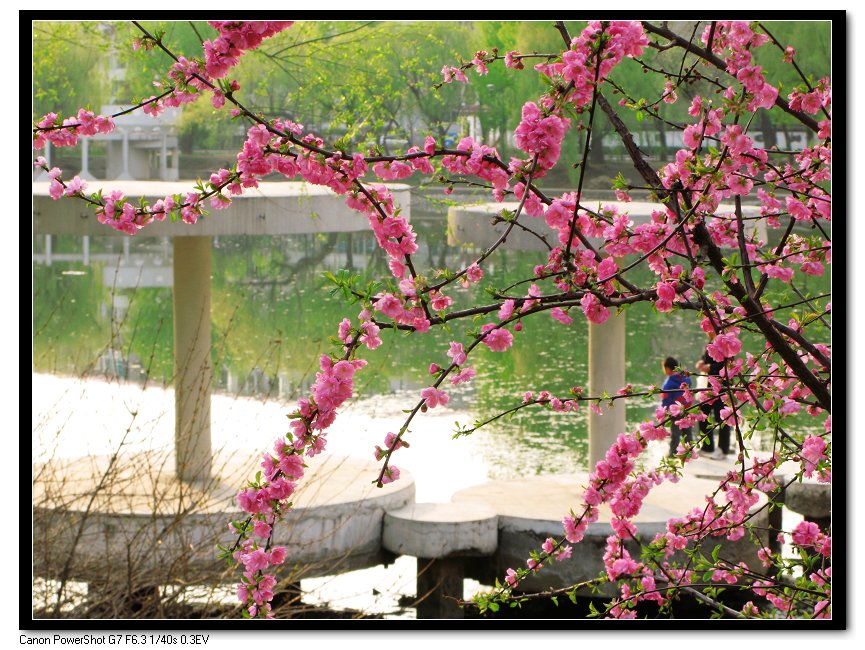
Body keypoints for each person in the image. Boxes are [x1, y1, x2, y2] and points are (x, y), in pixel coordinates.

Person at [695, 331, 732, 458]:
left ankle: (723, 449)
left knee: (722, 417)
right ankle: (708, 447)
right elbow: (707, 356)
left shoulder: (724, 342)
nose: (706, 330)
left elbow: (726, 364)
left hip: (722, 386)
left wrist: (710, 367)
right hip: (709, 386)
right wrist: (701, 362)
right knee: (702, 413)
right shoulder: (711, 341)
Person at [661, 356, 693, 457]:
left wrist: (664, 412)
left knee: (675, 433)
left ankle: (673, 453)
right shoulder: (686, 377)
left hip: (675, 411)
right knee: (687, 431)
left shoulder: (669, 382)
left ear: (668, 369)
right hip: (687, 408)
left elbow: (666, 399)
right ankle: (689, 451)